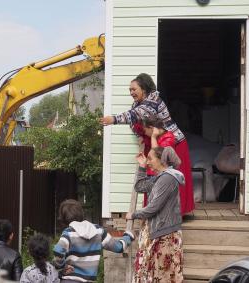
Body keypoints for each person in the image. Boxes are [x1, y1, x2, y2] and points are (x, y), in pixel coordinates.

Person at [100, 73, 194, 215]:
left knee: (170, 177)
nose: (131, 92)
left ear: (143, 89)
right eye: (129, 90)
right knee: (154, 178)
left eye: (134, 89)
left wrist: (113, 119)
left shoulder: (152, 101)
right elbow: (134, 123)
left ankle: (174, 213)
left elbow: (134, 115)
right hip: (156, 142)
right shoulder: (138, 104)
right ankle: (155, 211)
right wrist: (140, 136)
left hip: (172, 143)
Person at [126, 146, 184, 283]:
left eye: (150, 159)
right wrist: (141, 166)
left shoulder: (168, 179)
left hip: (165, 235)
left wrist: (134, 214)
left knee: (163, 275)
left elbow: (154, 207)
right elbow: (140, 186)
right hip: (157, 231)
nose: (148, 162)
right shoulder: (160, 178)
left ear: (161, 160)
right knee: (155, 274)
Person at [53, 199, 135, 282]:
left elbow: (58, 251)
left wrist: (62, 267)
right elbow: (119, 247)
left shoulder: (68, 234)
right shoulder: (98, 231)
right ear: (81, 213)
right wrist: (128, 236)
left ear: (64, 218)